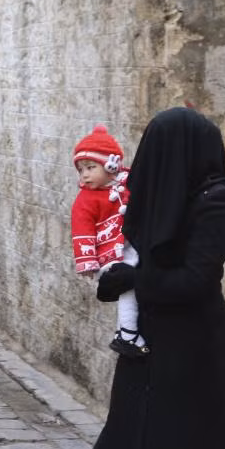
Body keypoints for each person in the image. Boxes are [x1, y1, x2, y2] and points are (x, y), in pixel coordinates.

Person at [67, 107, 225, 449]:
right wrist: (115, 278)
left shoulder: (215, 202)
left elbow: (195, 280)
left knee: (182, 436)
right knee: (132, 428)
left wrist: (133, 281)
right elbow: (127, 257)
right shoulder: (151, 198)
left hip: (193, 338)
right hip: (149, 333)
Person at [71, 124, 148, 358]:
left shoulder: (125, 183)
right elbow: (81, 230)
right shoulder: (86, 199)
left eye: (90, 167)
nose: (84, 175)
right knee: (129, 289)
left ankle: (126, 332)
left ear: (111, 165)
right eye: (81, 169)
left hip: (129, 244)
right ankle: (127, 332)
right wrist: (87, 261)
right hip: (111, 253)